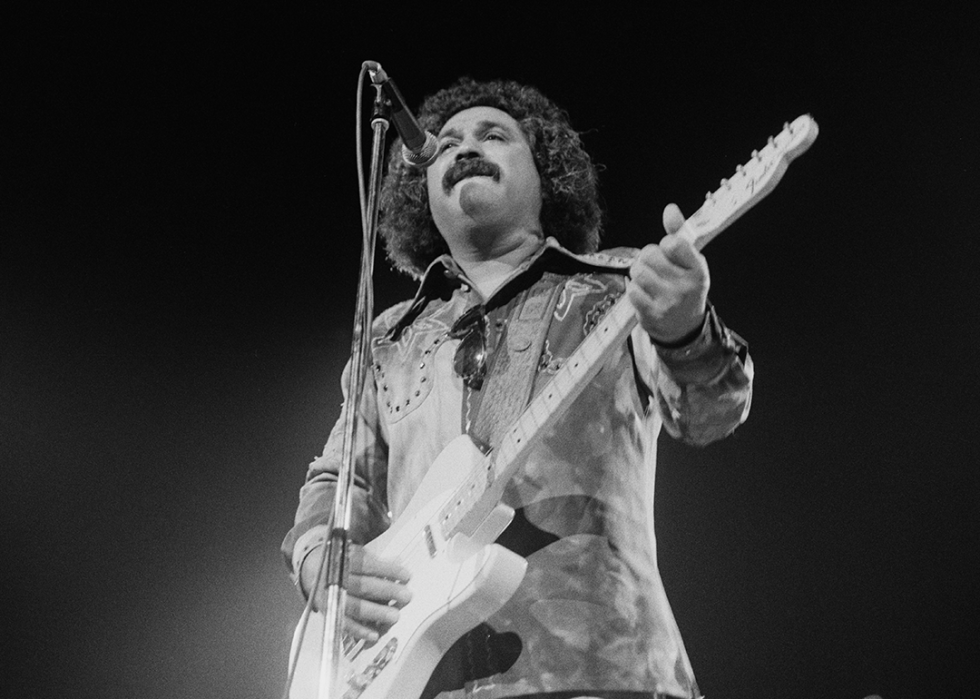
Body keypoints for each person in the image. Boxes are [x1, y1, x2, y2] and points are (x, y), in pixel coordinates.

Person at [282, 78, 754, 699]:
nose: (465, 148)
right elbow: (341, 481)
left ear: (546, 175)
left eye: (493, 136)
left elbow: (710, 412)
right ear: (419, 188)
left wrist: (685, 328)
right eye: (445, 144)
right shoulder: (389, 343)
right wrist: (320, 555)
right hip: (425, 679)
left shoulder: (617, 288)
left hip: (598, 670)